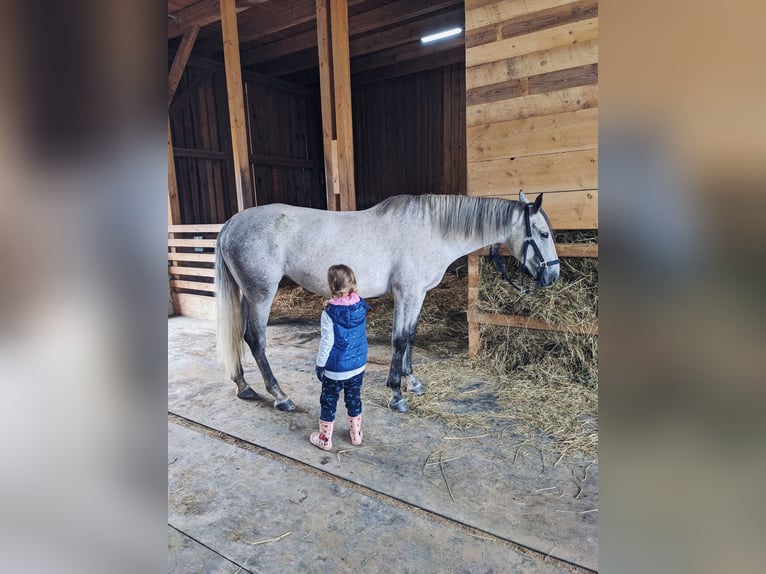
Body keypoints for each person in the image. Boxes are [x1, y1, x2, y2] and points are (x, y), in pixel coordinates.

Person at [310, 264, 370, 451]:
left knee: (329, 400)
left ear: (331, 286)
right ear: (352, 283)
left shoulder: (329, 313)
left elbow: (327, 342)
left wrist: (320, 365)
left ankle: (325, 439)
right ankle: (356, 435)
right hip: (358, 364)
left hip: (336, 369)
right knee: (354, 398)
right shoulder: (360, 306)